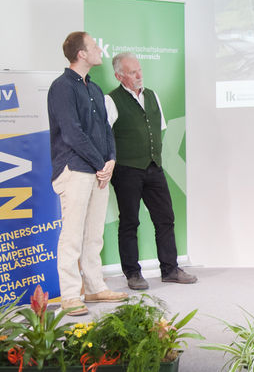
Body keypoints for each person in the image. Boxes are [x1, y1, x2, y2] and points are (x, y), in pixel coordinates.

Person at [47, 32, 127, 316]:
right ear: (81, 54)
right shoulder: (61, 87)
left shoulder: (94, 89)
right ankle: (70, 294)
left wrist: (111, 160)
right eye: (94, 47)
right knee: (72, 235)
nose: (99, 51)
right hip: (75, 169)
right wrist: (99, 163)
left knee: (94, 234)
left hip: (98, 170)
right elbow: (71, 133)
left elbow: (106, 129)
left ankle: (94, 286)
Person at [104, 53, 197, 290]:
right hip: (126, 170)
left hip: (154, 167)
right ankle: (133, 273)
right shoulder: (111, 100)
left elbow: (158, 127)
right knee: (129, 222)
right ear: (119, 76)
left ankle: (170, 269)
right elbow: (104, 136)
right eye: (132, 72)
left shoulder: (152, 95)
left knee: (165, 218)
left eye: (139, 70)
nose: (139, 75)